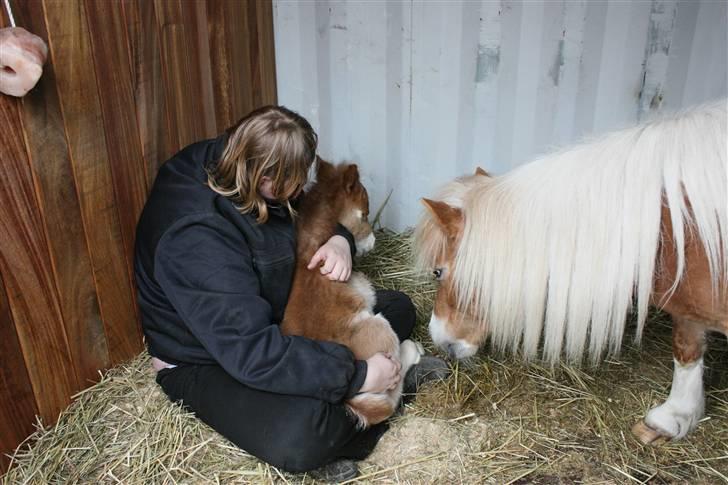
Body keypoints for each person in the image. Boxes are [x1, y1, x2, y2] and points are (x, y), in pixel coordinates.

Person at [134, 105, 448, 481]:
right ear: (261, 172)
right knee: (301, 436)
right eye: (291, 182)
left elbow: (309, 211)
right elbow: (251, 353)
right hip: (208, 358)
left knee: (398, 308)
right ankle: (388, 389)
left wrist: (340, 239)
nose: (298, 191)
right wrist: (359, 376)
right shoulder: (196, 238)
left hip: (273, 312)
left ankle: (372, 393)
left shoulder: (240, 159)